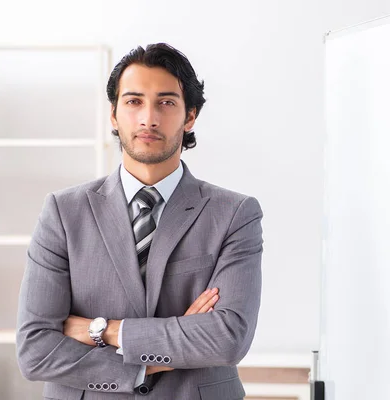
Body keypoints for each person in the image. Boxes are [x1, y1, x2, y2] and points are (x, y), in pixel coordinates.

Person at [16, 43, 264, 400]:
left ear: (189, 116)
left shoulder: (234, 214)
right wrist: (147, 365)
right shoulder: (63, 211)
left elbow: (227, 340)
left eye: (166, 102)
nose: (148, 118)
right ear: (114, 115)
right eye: (133, 101)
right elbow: (35, 350)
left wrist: (104, 330)